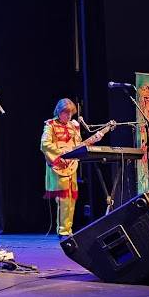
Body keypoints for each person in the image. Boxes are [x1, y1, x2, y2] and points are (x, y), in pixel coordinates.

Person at [40, 98, 100, 237]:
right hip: (58, 164)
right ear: (59, 112)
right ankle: (63, 231)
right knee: (64, 199)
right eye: (66, 113)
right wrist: (62, 152)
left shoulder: (73, 126)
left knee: (72, 197)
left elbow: (77, 144)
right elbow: (44, 144)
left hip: (71, 165)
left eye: (71, 114)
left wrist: (89, 142)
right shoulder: (50, 125)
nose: (68, 116)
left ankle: (68, 229)